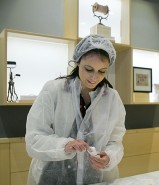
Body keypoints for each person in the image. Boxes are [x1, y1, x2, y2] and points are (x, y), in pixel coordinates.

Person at [25, 35, 126, 185]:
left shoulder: (111, 98)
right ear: (78, 62)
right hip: (52, 178)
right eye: (89, 69)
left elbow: (116, 142)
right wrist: (63, 145)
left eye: (102, 71)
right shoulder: (53, 90)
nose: (94, 77)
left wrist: (109, 157)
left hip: (96, 178)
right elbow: (34, 138)